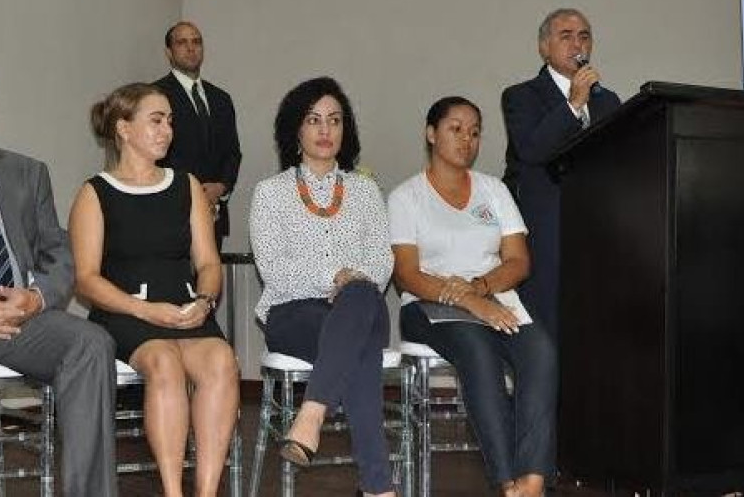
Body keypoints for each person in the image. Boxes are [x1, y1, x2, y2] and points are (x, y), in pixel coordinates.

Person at [69, 82, 239, 497]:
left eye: (170, 122)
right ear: (124, 129)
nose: (167, 130)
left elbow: (208, 263)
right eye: (156, 120)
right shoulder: (96, 193)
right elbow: (87, 279)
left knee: (220, 358)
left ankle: (206, 490)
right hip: (127, 314)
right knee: (163, 361)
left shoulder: (187, 186)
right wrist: (145, 311)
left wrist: (205, 300)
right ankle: (172, 491)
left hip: (186, 309)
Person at [0, 54, 118, 496]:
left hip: (17, 318)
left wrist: (33, 298)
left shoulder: (27, 173)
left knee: (91, 344)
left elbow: (61, 252)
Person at [389, 96, 555, 497]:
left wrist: (481, 288)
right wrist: (466, 301)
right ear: (431, 134)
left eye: (475, 132)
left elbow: (518, 261)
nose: (467, 139)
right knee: (478, 350)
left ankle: (532, 479)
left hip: (495, 298)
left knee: (541, 351)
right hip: (429, 305)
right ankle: (506, 479)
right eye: (456, 129)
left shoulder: (493, 190)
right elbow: (407, 274)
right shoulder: (406, 197)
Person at [249, 77, 395, 497]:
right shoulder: (270, 193)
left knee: (362, 295)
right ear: (295, 129)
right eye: (314, 120)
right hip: (293, 314)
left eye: (334, 120)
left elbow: (382, 263)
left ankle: (310, 416)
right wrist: (336, 276)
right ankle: (377, 488)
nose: (325, 130)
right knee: (359, 350)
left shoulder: (366, 191)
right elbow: (275, 270)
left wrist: (351, 284)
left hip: (361, 307)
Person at [501, 8, 621, 344]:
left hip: (599, 236)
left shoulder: (608, 101)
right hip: (548, 236)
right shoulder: (520, 96)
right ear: (543, 47)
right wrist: (573, 105)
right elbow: (533, 150)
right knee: (550, 340)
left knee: (597, 335)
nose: (577, 44)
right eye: (565, 36)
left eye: (584, 36)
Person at [154, 21, 242, 250]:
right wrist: (191, 192)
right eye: (182, 42)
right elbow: (153, 155)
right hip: (171, 214)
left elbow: (232, 153)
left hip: (214, 212)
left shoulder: (221, 99)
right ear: (168, 52)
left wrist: (220, 187)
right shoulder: (155, 96)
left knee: (209, 284)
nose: (191, 48)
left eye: (197, 42)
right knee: (176, 285)